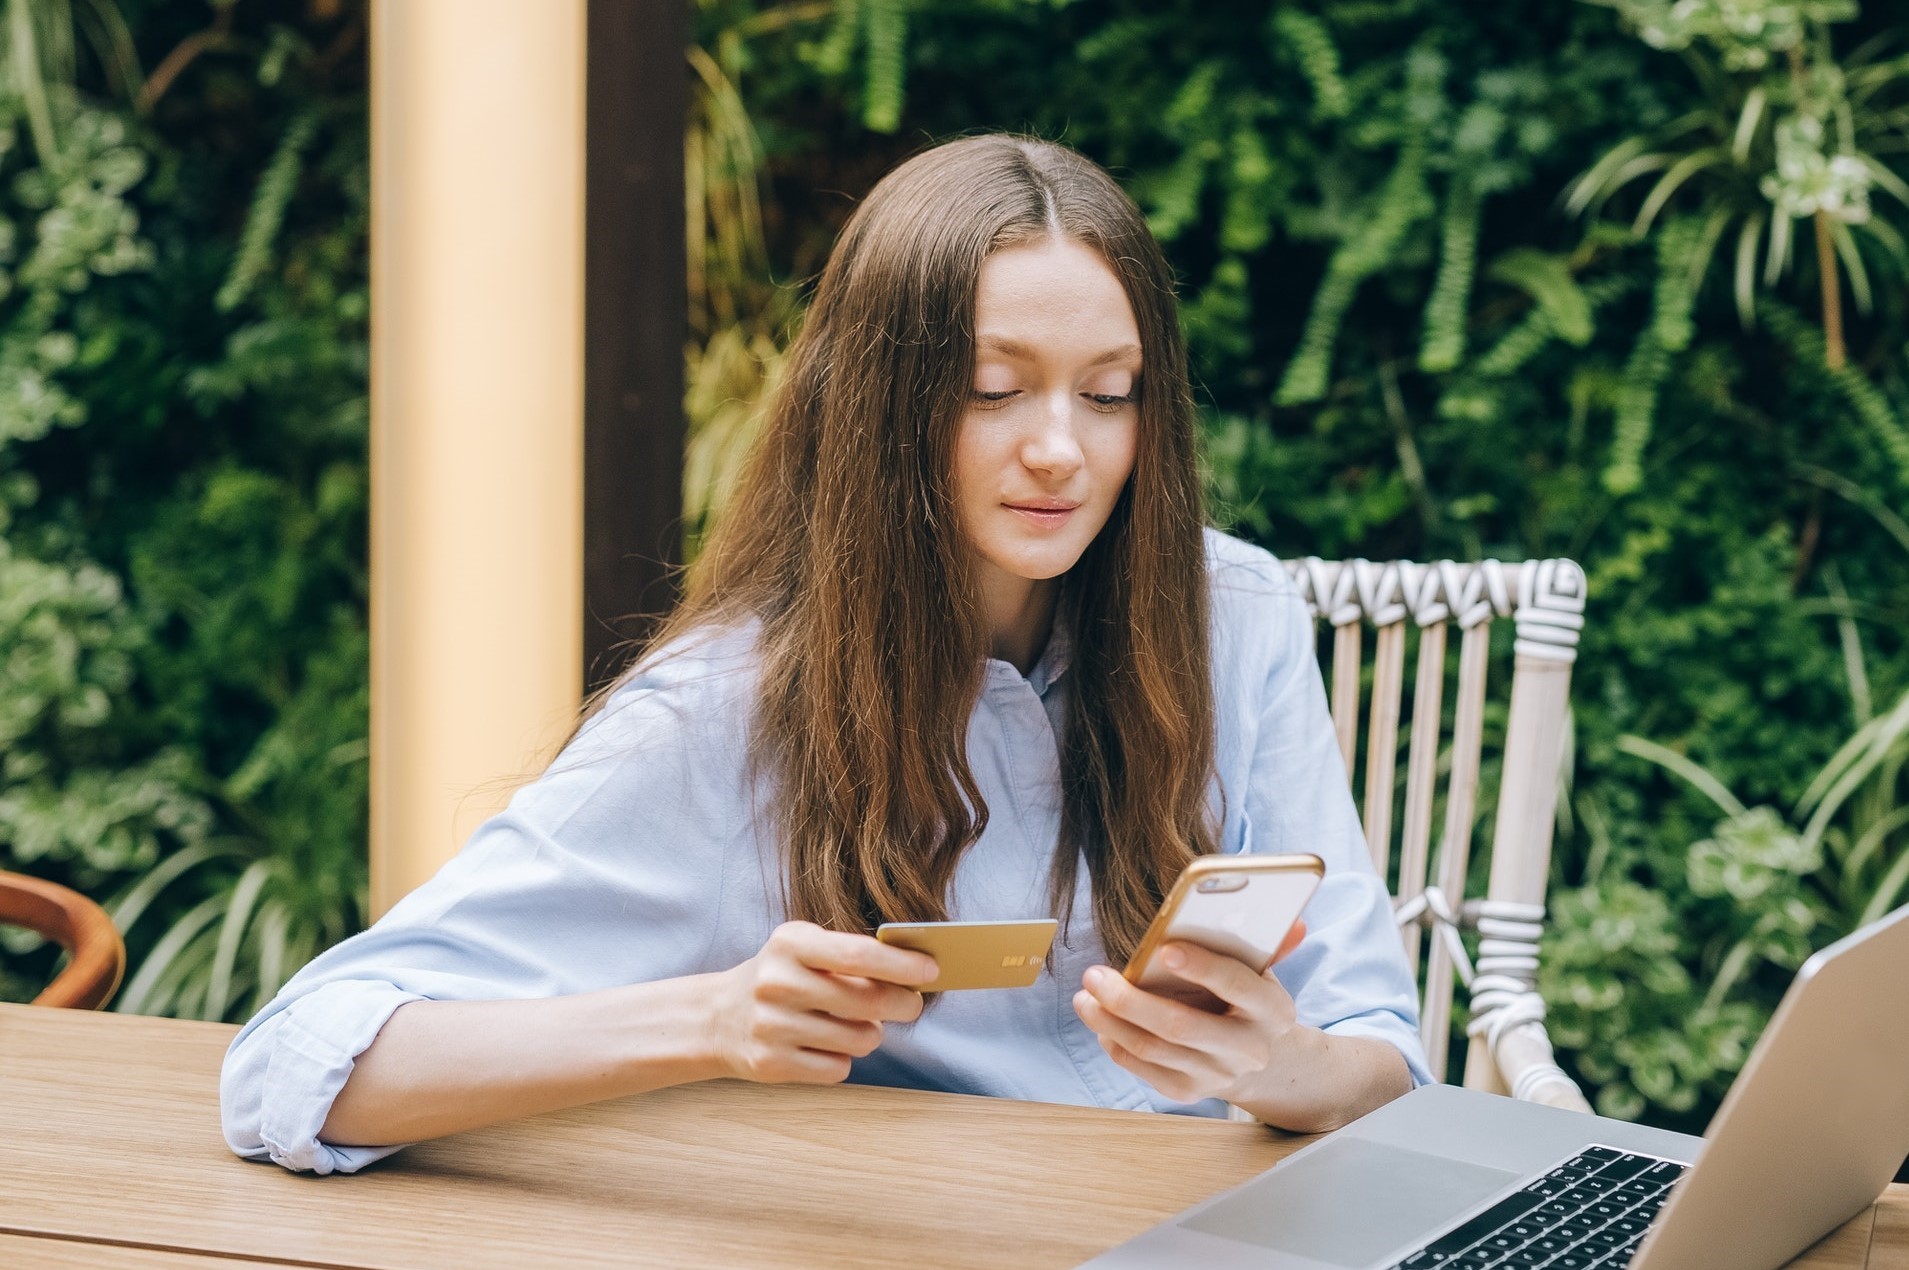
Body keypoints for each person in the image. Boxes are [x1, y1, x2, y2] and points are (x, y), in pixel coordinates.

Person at [220, 134, 1429, 1176]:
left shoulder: (1236, 613)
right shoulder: (726, 713)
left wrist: (1293, 1068)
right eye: (994, 388)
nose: (1063, 447)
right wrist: (713, 1017)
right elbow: (298, 1059)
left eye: (1109, 395)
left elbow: (1382, 1044)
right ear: (882, 405)